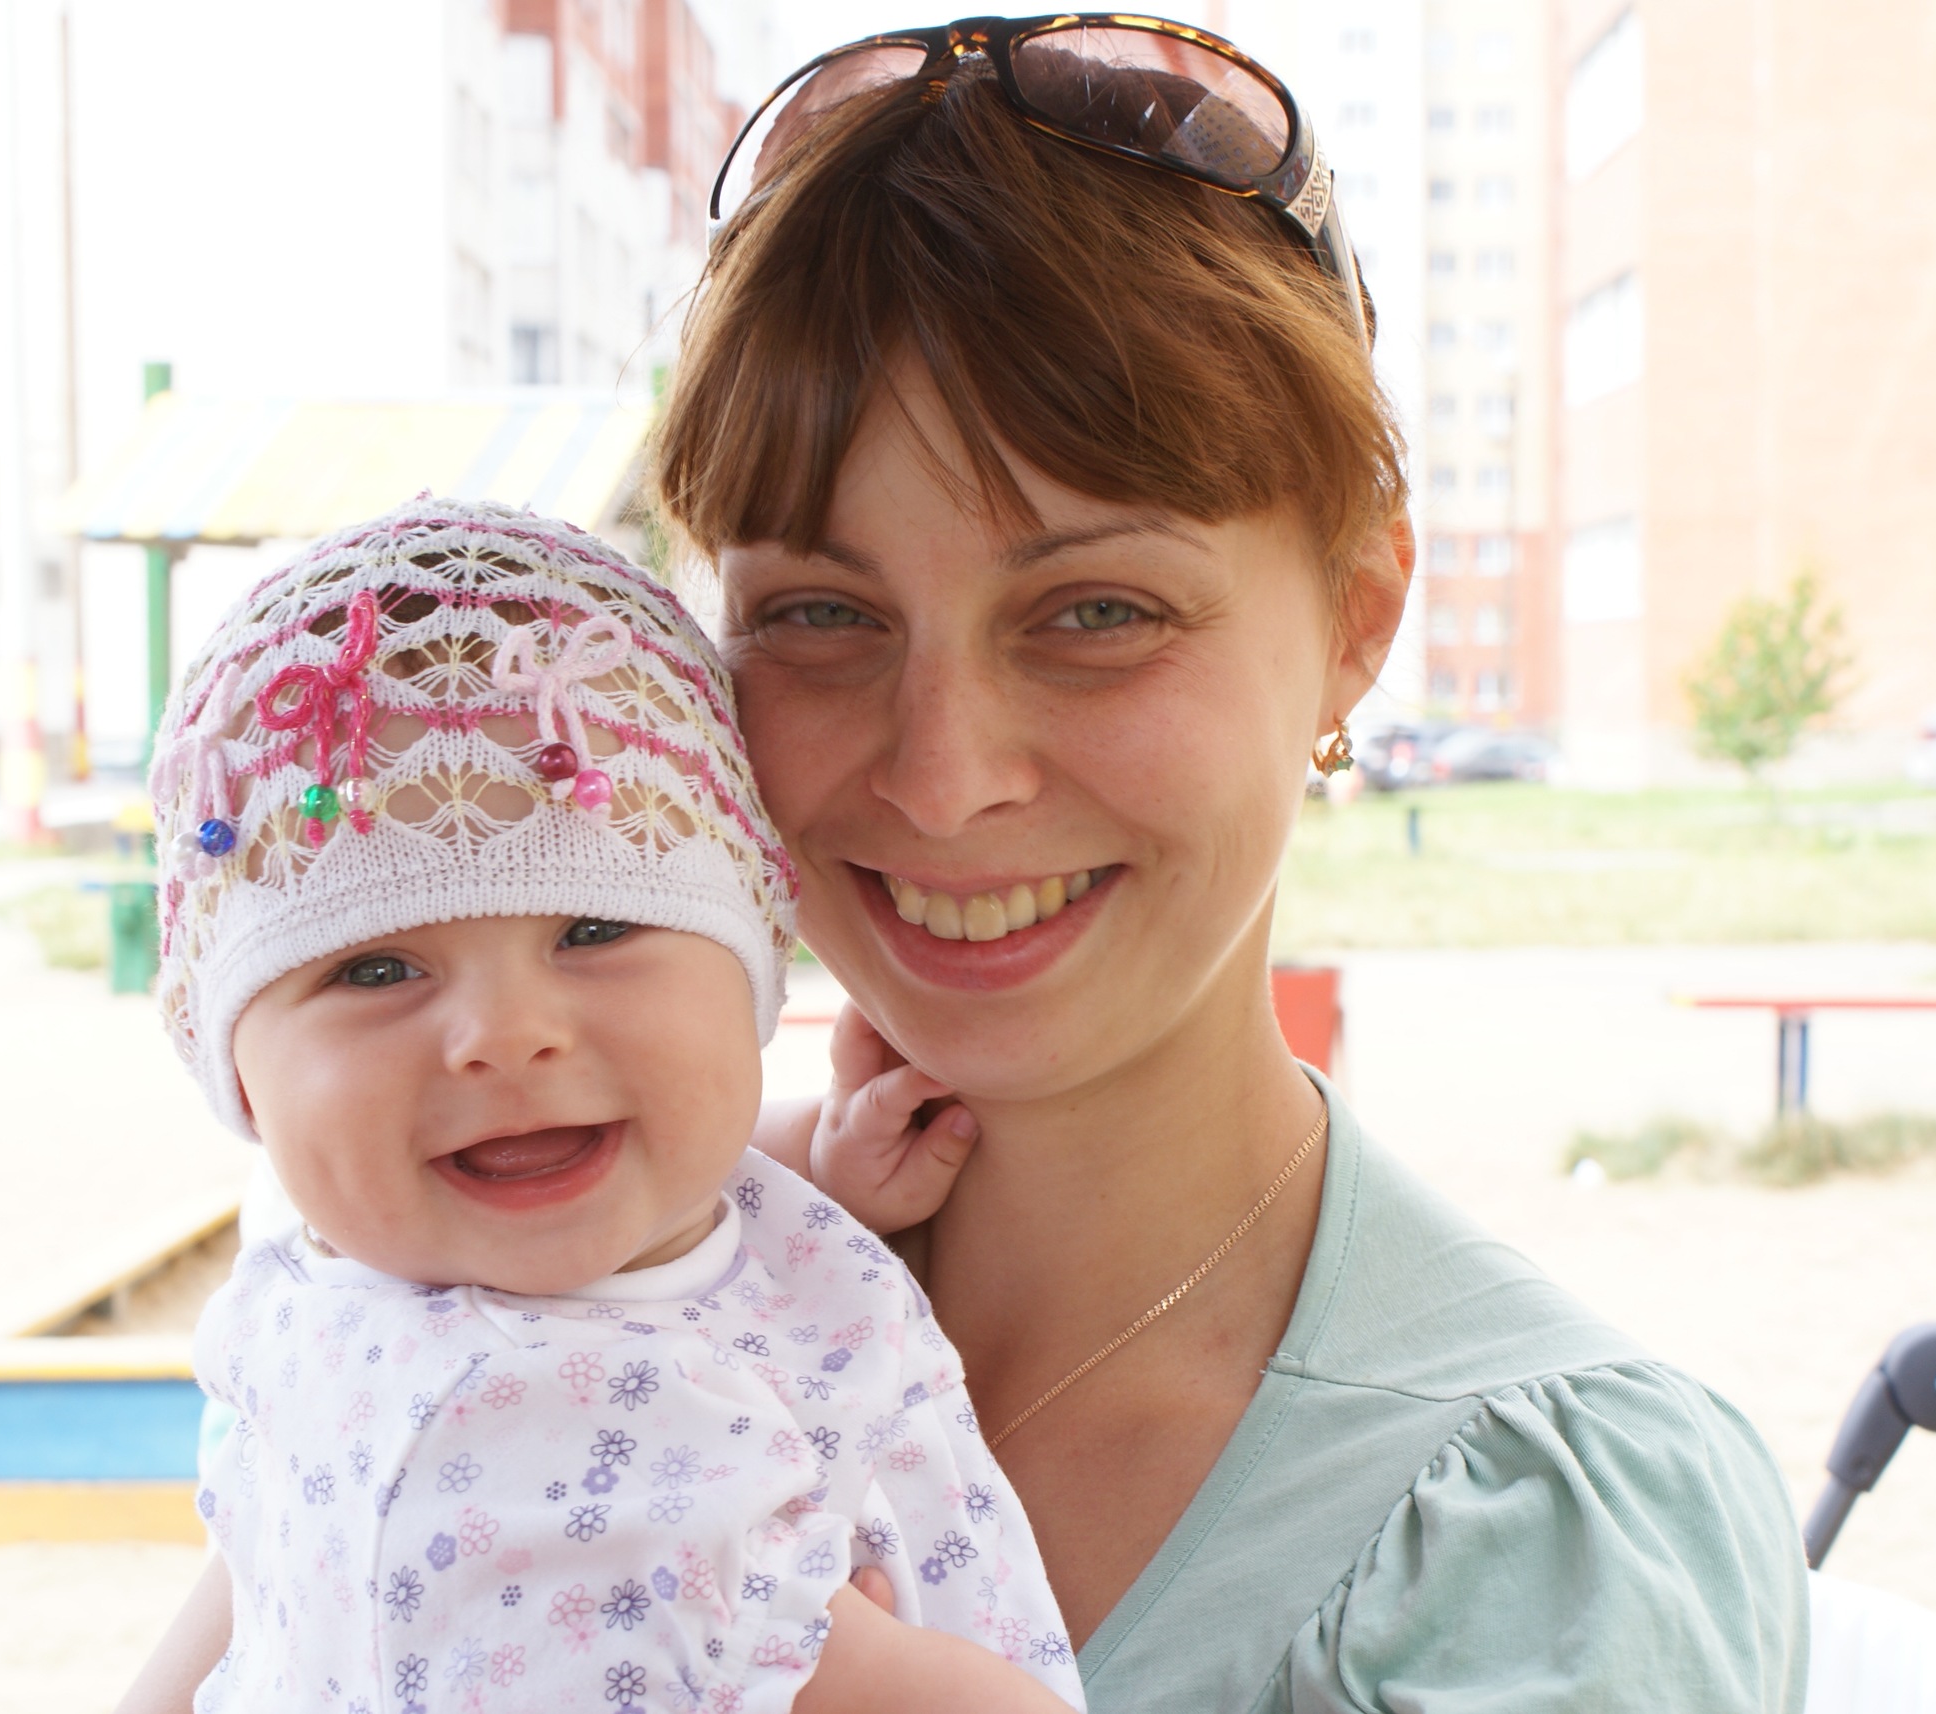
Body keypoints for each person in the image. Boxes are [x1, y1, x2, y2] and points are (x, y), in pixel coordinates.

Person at [657, 16, 1812, 1710]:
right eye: (822, 615)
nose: (945, 779)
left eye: (1096, 612)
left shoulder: (1530, 1542)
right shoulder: (578, 1289)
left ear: (1357, 620)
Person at [120, 499, 1084, 1712]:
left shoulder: (331, 1285)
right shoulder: (552, 1438)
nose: (506, 1035)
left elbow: (245, 1589)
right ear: (239, 1074)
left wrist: (810, 1160)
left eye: (592, 930)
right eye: (375, 969)